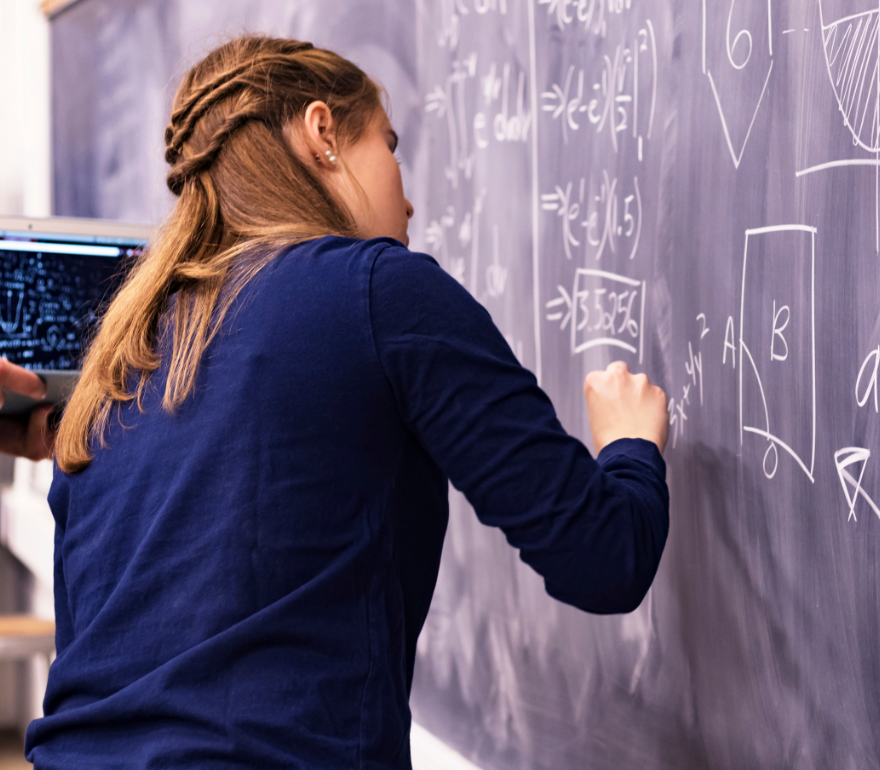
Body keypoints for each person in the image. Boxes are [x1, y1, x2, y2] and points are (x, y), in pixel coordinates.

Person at [17, 36, 669, 769]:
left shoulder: (119, 355)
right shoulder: (380, 289)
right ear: (322, 131)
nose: (409, 194)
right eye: (388, 146)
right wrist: (630, 447)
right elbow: (605, 556)